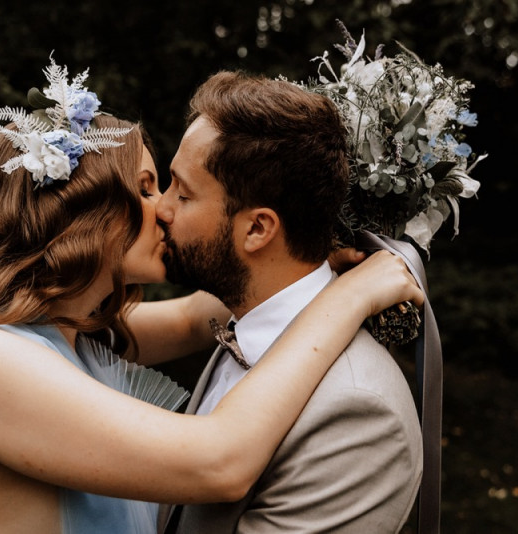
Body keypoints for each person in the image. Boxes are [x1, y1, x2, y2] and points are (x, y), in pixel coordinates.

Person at [0, 58, 423, 534]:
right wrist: (349, 297)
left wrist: (308, 259)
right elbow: (218, 461)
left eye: (174, 189)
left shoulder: (62, 330)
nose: (163, 208)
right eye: (149, 187)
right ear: (87, 215)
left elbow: (194, 318)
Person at [155, 70, 425, 533]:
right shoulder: (247, 317)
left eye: (182, 192)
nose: (161, 208)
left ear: (257, 229)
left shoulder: (359, 415)